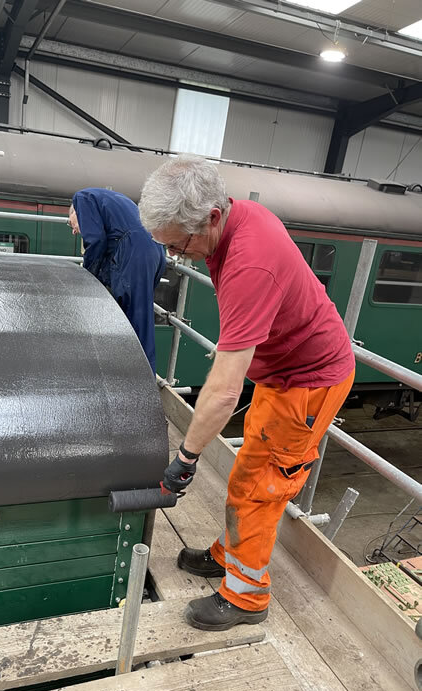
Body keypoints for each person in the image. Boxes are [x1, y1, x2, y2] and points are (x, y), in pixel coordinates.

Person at [138, 156, 355, 631]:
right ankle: (228, 555)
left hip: (308, 382)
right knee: (249, 472)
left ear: (212, 217)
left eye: (179, 244)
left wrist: (187, 457)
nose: (177, 257)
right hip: (282, 374)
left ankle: (246, 596)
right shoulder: (231, 222)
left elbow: (221, 391)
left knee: (258, 489)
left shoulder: (249, 260)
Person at [68, 188, 166, 374]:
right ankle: (137, 375)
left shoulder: (81, 198)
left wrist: (87, 279)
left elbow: (95, 240)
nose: (74, 231)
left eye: (70, 224)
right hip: (153, 249)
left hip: (134, 250)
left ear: (74, 211)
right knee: (138, 316)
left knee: (136, 322)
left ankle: (139, 379)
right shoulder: (108, 200)